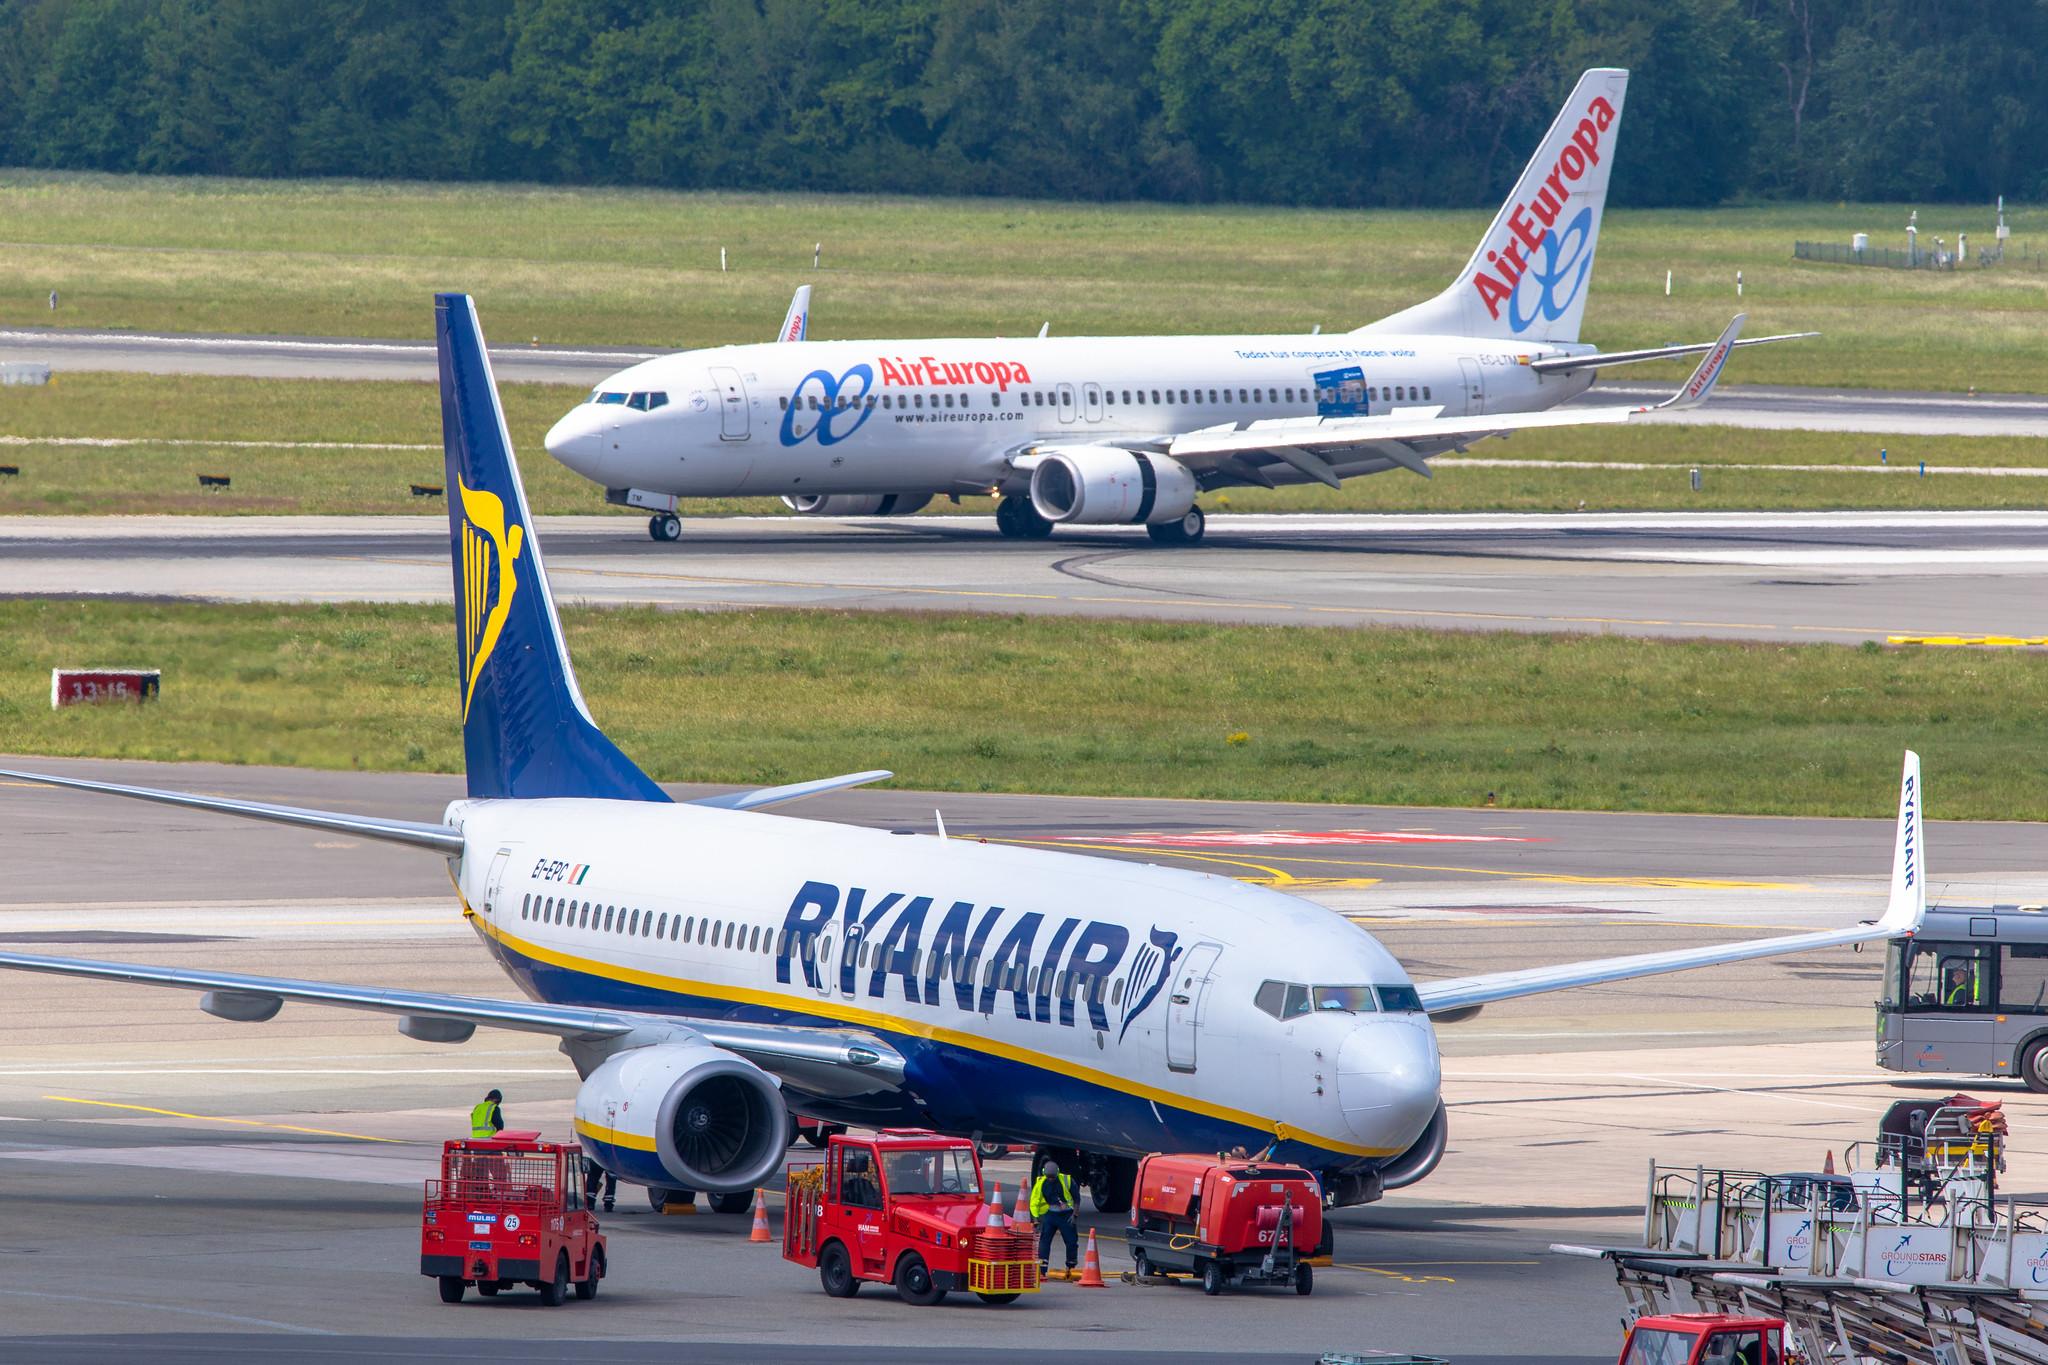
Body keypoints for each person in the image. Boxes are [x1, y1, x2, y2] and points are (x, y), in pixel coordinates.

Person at [1031, 1159, 1078, 1279]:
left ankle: (1071, 1267)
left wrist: (1074, 1215)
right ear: (1044, 1173)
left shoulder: (1067, 1181)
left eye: (1053, 1177)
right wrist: (1036, 1219)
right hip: (1050, 1215)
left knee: (1071, 1241)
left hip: (1066, 1215)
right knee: (1044, 1241)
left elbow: (1077, 1199)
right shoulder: (1041, 1184)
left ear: (1057, 1173)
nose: (1051, 1179)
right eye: (1049, 1177)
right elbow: (1034, 1202)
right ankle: (1042, 1270)